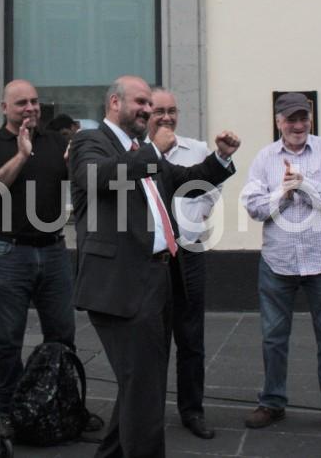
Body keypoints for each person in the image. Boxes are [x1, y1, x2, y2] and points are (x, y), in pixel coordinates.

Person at [69, 75, 239, 458]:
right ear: (115, 102)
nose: (149, 110)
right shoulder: (90, 141)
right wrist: (151, 153)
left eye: (151, 104)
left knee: (141, 385)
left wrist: (221, 158)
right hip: (120, 285)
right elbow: (97, 178)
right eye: (141, 102)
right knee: (144, 391)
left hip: (160, 278)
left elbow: (186, 180)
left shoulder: (143, 149)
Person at [241, 92, 321, 436]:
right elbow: (254, 207)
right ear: (278, 122)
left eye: (303, 118)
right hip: (279, 261)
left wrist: (304, 183)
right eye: (290, 119)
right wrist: (284, 193)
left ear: (310, 120)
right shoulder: (264, 158)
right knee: (273, 339)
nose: (298, 125)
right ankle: (272, 402)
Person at [0, 79, 77, 433]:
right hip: (6, 252)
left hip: (53, 250)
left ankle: (65, 405)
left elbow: (80, 181)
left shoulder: (57, 142)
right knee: (6, 339)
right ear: (5, 109)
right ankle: (9, 411)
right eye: (21, 104)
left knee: (62, 334)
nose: (31, 108)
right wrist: (21, 154)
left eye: (34, 102)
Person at [146, 87, 221, 440]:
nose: (167, 117)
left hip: (189, 252)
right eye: (159, 110)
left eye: (172, 110)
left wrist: (194, 218)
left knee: (191, 338)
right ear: (146, 113)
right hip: (153, 257)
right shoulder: (138, 154)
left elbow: (212, 188)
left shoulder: (197, 150)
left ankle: (192, 410)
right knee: (152, 340)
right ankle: (148, 412)